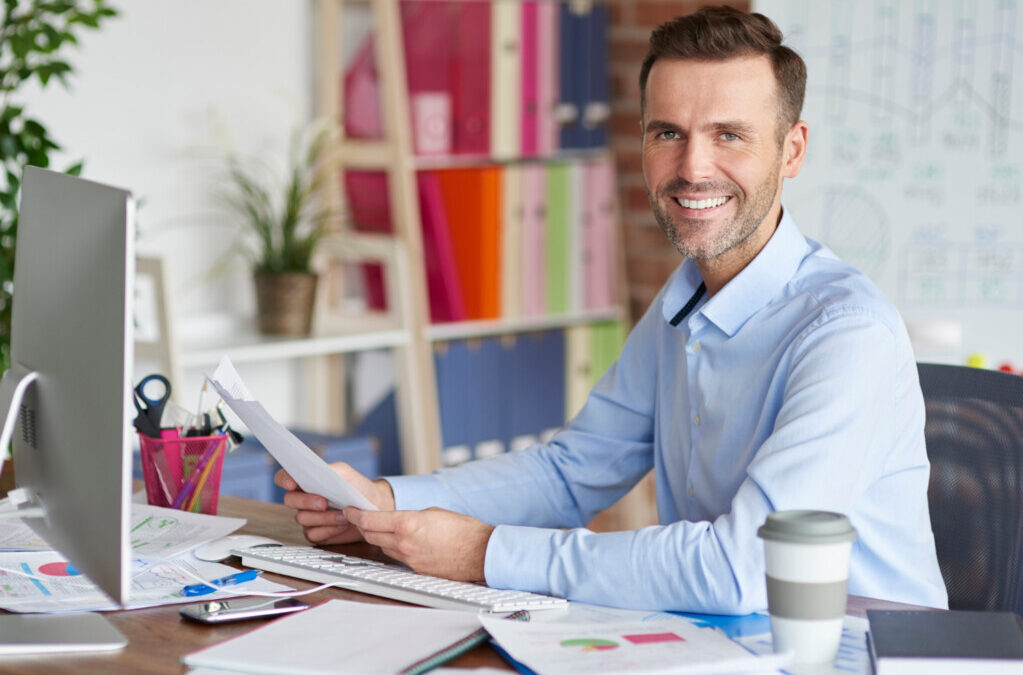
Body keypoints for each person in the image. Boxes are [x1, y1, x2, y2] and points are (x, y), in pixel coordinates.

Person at [275, 6, 949, 613]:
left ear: (791, 149)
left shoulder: (845, 333)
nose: (692, 167)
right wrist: (387, 501)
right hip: (724, 642)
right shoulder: (683, 299)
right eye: (667, 134)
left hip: (856, 656)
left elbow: (747, 566)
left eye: (729, 136)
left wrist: (484, 553)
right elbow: (572, 472)